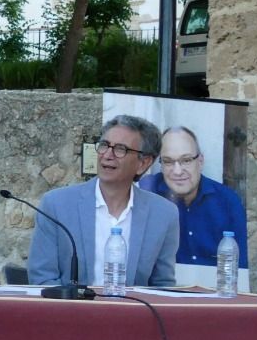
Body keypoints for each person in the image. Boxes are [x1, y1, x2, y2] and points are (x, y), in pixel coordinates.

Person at [28, 115, 180, 289]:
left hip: (132, 307)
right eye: (104, 145)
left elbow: (162, 286)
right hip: (71, 305)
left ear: (143, 163)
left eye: (121, 149)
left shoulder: (164, 214)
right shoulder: (56, 205)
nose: (107, 155)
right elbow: (42, 278)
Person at [138, 126, 249, 270]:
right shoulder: (148, 194)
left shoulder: (227, 201)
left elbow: (241, 267)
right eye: (168, 161)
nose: (177, 171)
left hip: (214, 284)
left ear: (200, 161)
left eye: (186, 160)